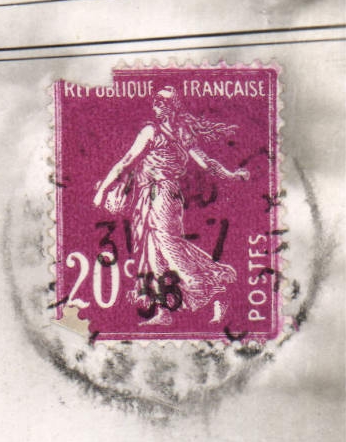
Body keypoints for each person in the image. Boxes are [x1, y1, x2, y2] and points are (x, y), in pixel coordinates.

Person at [92, 87, 251, 325]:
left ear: (167, 107)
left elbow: (125, 162)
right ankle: (163, 311)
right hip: (156, 196)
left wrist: (103, 190)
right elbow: (206, 163)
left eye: (160, 102)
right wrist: (231, 175)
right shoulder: (180, 132)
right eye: (156, 102)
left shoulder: (153, 131)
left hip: (161, 195)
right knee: (152, 249)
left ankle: (217, 290)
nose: (156, 106)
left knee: (169, 247)